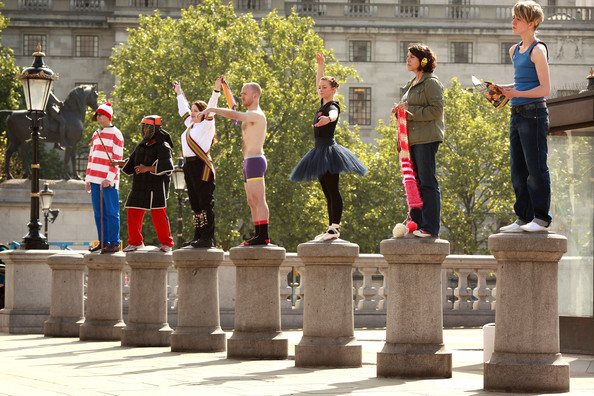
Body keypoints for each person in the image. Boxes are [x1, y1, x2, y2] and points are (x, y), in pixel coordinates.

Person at [290, 53, 367, 241]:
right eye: (320, 88)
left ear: (333, 90)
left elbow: (334, 114)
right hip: (318, 151)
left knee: (333, 189)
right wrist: (321, 66)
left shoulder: (332, 105)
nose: (320, 89)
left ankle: (335, 227)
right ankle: (330, 227)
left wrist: (328, 119)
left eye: (324, 87)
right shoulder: (321, 104)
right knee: (326, 190)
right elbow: (319, 81)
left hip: (329, 151)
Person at [498, 1, 552, 233]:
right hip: (517, 113)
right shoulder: (514, 50)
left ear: (531, 23)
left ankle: (541, 219)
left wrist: (517, 93)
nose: (513, 22)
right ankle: (523, 218)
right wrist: (504, 89)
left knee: (536, 168)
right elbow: (522, 83)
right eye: (513, 17)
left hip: (534, 114)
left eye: (518, 19)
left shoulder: (538, 50)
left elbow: (544, 89)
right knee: (517, 169)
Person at [201, 82, 270, 246]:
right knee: (251, 200)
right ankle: (258, 233)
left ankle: (264, 236)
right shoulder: (250, 113)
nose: (241, 96)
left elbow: (236, 115)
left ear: (255, 96)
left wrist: (212, 109)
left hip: (255, 160)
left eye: (245, 93)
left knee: (258, 199)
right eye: (240, 93)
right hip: (248, 161)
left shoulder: (257, 114)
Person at [391, 43, 444, 238]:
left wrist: (409, 112)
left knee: (427, 182)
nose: (408, 59)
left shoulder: (431, 83)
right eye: (407, 56)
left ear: (422, 61)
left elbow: (436, 110)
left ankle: (430, 227)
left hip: (426, 138)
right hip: (410, 141)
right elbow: (408, 111)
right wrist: (399, 112)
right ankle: (416, 223)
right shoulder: (411, 84)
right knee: (413, 181)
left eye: (411, 57)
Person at [110, 115, 175, 252]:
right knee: (133, 211)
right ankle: (135, 242)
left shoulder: (164, 146)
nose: (144, 130)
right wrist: (118, 163)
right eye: (143, 127)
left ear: (155, 129)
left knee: (158, 214)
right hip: (139, 185)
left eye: (147, 127)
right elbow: (132, 162)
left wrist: (147, 168)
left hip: (156, 186)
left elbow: (167, 167)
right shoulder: (141, 145)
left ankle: (166, 243)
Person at [173, 77, 222, 248]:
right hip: (189, 166)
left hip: (201, 167)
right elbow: (183, 109)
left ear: (203, 112)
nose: (192, 113)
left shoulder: (207, 125)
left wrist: (216, 91)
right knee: (195, 203)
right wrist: (179, 93)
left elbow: (211, 108)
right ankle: (198, 235)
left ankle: (207, 237)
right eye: (192, 110)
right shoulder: (190, 125)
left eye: (196, 110)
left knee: (204, 202)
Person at [85, 102, 124, 253]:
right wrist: (88, 178)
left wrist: (109, 178)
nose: (98, 118)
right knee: (98, 213)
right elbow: (91, 156)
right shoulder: (96, 134)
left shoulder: (117, 134)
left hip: (108, 181)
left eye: (100, 115)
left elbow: (117, 157)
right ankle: (103, 241)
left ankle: (114, 242)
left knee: (112, 212)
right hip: (94, 179)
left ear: (108, 116)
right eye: (98, 115)